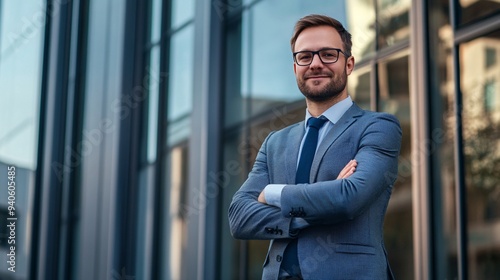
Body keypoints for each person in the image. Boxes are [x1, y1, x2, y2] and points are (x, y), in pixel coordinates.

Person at [228, 14, 402, 280]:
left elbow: (349, 199)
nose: (316, 64)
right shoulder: (275, 142)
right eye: (305, 56)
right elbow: (240, 217)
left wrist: (274, 193)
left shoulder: (378, 127)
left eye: (328, 54)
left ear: (349, 63)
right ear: (295, 67)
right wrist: (315, 209)